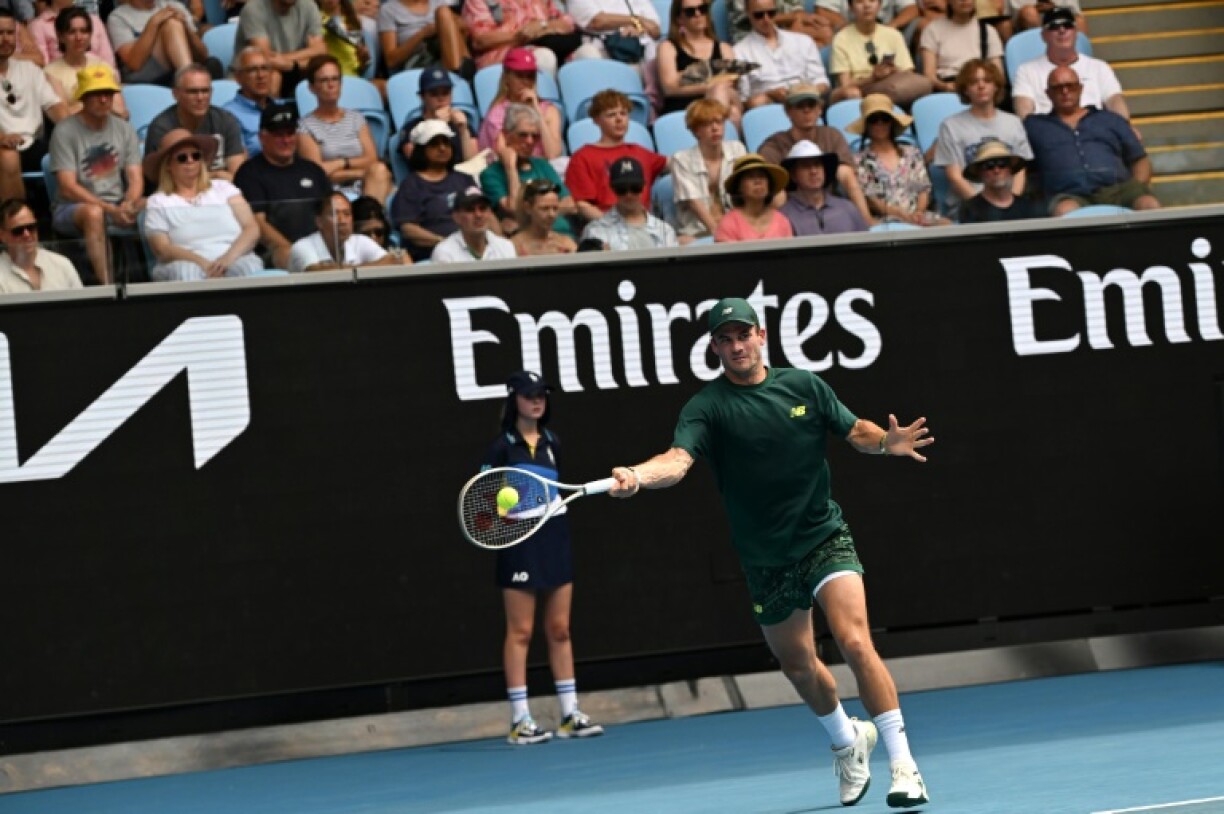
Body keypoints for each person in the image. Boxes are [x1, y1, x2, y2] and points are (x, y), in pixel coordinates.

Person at [606, 296, 933, 809]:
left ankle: (904, 765)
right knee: (798, 665)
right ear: (715, 348)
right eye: (726, 340)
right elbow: (677, 460)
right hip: (765, 558)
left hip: (823, 536)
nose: (737, 346)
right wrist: (637, 476)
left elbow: (856, 430)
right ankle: (848, 741)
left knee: (854, 640)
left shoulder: (803, 386)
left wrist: (883, 443)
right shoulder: (706, 407)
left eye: (744, 335)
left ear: (761, 336)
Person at [482, 370, 605, 745]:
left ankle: (570, 714)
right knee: (520, 631)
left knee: (560, 629)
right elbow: (484, 503)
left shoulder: (553, 442)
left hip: (554, 537)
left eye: (542, 395)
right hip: (519, 542)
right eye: (529, 395)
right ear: (514, 399)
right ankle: (520, 720)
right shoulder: (501, 448)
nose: (537, 401)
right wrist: (500, 512)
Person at [48, 64, 143, 285]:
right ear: (83, 97)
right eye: (96, 94)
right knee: (94, 213)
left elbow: (135, 178)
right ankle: (107, 288)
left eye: (108, 93)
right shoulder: (64, 131)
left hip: (117, 203)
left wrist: (128, 204)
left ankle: (156, 283)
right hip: (72, 207)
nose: (103, 99)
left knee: (156, 203)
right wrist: (109, 209)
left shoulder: (124, 128)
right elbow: (67, 187)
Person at [1023, 65, 1159, 216]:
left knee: (1149, 205)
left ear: (1080, 88)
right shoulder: (1035, 127)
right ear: (1048, 93)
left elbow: (1140, 159)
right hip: (1069, 195)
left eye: (1070, 86)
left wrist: (1137, 186)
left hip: (1119, 190)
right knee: (1064, 211)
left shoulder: (1110, 120)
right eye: (1058, 87)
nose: (1065, 91)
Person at [142, 128, 265, 281]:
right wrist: (203, 263)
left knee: (250, 267)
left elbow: (251, 228)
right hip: (185, 262)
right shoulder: (158, 201)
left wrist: (226, 260)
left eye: (195, 156)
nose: (190, 161)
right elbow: (162, 249)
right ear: (168, 165)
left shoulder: (224, 188)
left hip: (232, 257)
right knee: (186, 271)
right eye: (182, 158)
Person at [233, 104, 334, 269]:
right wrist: (299, 252)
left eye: (290, 133)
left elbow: (329, 213)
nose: (286, 140)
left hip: (319, 248)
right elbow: (258, 223)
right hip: (274, 252)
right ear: (262, 137)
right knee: (287, 254)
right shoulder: (249, 173)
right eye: (279, 135)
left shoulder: (313, 170)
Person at [756, 83, 873, 224]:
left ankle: (866, 221)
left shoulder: (832, 135)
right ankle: (781, 230)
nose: (806, 110)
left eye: (811, 105)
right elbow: (767, 181)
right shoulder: (774, 144)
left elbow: (846, 175)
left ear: (819, 109)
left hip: (830, 204)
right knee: (777, 191)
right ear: (788, 111)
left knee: (846, 172)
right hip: (792, 208)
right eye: (800, 106)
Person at [932, 58, 1030, 213]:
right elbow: (955, 176)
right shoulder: (950, 126)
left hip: (1009, 206)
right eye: (973, 82)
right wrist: (986, 207)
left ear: (996, 86)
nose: (981, 86)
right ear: (965, 90)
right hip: (969, 207)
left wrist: (1011, 204)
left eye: (987, 81)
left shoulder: (1013, 122)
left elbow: (1019, 171)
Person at [296, 54, 393, 205]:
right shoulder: (305, 126)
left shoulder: (356, 118)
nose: (331, 85)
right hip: (330, 192)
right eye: (324, 80)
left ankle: (370, 215)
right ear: (312, 87)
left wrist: (338, 165)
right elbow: (317, 172)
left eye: (335, 79)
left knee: (380, 171)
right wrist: (360, 171)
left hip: (367, 186)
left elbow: (371, 159)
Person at [565, 89, 667, 222]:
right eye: (611, 115)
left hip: (643, 223)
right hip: (606, 224)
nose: (619, 119)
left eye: (623, 113)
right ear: (596, 120)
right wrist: (613, 226)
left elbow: (677, 162)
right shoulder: (582, 157)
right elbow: (582, 205)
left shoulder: (639, 151)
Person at [0, 8, 68, 204]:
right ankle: (16, 219)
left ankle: (67, 215)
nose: (5, 39)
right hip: (3, 146)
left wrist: (74, 128)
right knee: (8, 157)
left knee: (74, 143)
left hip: (33, 144)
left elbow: (54, 106)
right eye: (0, 33)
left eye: (10, 33)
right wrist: (3, 138)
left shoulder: (30, 70)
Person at [1012, 7, 1127, 121]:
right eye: (1054, 26)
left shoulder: (1100, 67)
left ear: (1076, 32)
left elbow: (1115, 101)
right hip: (1048, 128)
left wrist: (1124, 126)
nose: (1062, 30)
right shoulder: (1026, 71)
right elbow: (1024, 113)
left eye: (1067, 25)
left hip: (1095, 126)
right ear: (1043, 35)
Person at [480, 103, 576, 237]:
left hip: (565, 236)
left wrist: (532, 214)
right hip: (530, 242)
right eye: (523, 135)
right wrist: (511, 169)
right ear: (506, 135)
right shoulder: (491, 174)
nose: (530, 141)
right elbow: (514, 208)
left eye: (535, 136)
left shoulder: (542, 164)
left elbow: (570, 204)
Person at [848, 94, 943, 225]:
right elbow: (871, 200)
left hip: (918, 216)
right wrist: (900, 214)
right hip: (885, 220)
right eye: (874, 119)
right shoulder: (859, 160)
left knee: (947, 225)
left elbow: (923, 188)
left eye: (885, 119)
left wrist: (919, 213)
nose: (880, 124)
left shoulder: (911, 152)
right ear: (867, 125)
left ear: (891, 122)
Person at [145, 63, 246, 182]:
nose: (200, 98)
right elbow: (163, 179)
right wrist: (216, 175)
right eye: (192, 92)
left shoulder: (226, 120)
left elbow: (238, 176)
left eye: (205, 91)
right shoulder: (161, 127)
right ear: (175, 94)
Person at [390, 119, 474, 261]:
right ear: (421, 149)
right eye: (434, 144)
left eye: (446, 143)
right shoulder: (411, 185)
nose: (442, 148)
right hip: (433, 256)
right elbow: (408, 229)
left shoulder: (464, 180)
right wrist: (446, 243)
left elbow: (486, 214)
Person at [828, 0, 933, 108]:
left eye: (872, 1)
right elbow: (845, 84)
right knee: (852, 93)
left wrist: (892, 71)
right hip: (860, 88)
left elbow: (908, 73)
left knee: (920, 84)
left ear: (879, 6)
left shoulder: (893, 34)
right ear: (851, 7)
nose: (867, 5)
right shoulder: (841, 38)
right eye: (859, 1)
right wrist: (873, 77)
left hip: (891, 83)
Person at [668, 98, 746, 241]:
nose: (715, 128)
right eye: (707, 124)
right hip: (697, 231)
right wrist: (718, 233)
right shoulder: (681, 159)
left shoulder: (737, 149)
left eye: (719, 122)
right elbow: (694, 202)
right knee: (684, 241)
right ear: (695, 130)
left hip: (735, 225)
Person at [656, 0, 743, 124]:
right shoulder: (668, 46)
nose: (698, 14)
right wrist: (709, 86)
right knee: (731, 109)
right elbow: (669, 88)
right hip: (683, 106)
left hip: (721, 98)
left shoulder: (724, 48)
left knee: (725, 95)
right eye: (690, 12)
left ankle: (717, 131)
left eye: (702, 9)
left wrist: (685, 76)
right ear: (679, 19)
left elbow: (730, 81)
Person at [732, 0, 829, 110]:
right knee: (758, 102)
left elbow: (821, 82)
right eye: (759, 15)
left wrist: (803, 93)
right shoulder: (739, 51)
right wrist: (770, 94)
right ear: (748, 13)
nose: (766, 19)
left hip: (805, 104)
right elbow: (744, 100)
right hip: (768, 107)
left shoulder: (803, 41)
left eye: (771, 13)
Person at [475, 48, 564, 164]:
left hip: (545, 169)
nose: (525, 81)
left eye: (530, 76)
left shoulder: (549, 110)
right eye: (520, 76)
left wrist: (537, 112)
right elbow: (506, 157)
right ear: (507, 77)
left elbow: (553, 154)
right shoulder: (497, 114)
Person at [43, 7, 128, 118]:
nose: (79, 37)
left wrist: (80, 106)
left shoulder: (102, 66)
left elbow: (122, 112)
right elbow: (62, 117)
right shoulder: (51, 73)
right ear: (61, 36)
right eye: (72, 32)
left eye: (84, 31)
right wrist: (98, 103)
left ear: (90, 35)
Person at [288, 191, 401, 271]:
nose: (342, 221)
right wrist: (367, 268)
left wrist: (353, 270)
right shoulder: (302, 247)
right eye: (334, 214)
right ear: (319, 221)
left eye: (347, 214)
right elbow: (317, 272)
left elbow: (392, 261)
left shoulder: (360, 241)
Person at [582, 156, 678, 250]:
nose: (629, 195)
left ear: (644, 186)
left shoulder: (665, 231)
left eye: (635, 188)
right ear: (612, 188)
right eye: (622, 189)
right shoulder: (595, 231)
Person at [235, 0, 327, 96]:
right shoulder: (254, 9)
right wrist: (300, 59)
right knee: (274, 75)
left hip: (297, 69)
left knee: (324, 71)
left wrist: (290, 64)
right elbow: (264, 59)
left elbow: (320, 52)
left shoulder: (309, 5)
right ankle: (269, 106)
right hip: (255, 72)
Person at [462, 0, 580, 75]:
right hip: (504, 57)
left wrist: (542, 26)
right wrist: (523, 35)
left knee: (586, 52)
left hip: (549, 45)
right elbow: (480, 41)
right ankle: (544, 105)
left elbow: (567, 23)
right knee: (544, 57)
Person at [107, 0, 207, 87]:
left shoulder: (174, 6)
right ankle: (191, 81)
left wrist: (185, 28)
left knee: (173, 23)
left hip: (177, 70)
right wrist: (154, 22)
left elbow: (203, 55)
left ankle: (190, 81)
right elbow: (134, 64)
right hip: (144, 75)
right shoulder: (117, 17)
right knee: (171, 25)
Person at [779, 140, 868, 235]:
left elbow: (866, 242)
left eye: (817, 164)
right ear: (793, 175)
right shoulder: (784, 216)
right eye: (805, 166)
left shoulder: (847, 208)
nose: (813, 171)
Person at [917, 0, 1003, 94]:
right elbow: (929, 76)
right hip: (946, 86)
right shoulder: (932, 30)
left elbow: (998, 74)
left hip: (979, 87)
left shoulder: (988, 31)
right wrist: (944, 86)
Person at [398, 66, 479, 163]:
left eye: (445, 93)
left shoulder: (460, 122)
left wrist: (464, 131)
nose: (441, 99)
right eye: (434, 94)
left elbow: (473, 164)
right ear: (422, 97)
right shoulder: (411, 128)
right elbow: (417, 163)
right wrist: (436, 126)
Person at [0, 198, 82, 293]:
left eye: (31, 227)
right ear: (2, 236)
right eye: (18, 231)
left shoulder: (62, 264)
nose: (27, 234)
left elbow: (82, 301)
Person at [378, 0, 472, 76]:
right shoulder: (388, 10)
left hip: (442, 52)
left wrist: (457, 25)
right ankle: (460, 74)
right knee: (443, 13)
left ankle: (463, 71)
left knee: (444, 13)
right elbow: (391, 61)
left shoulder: (438, 3)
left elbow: (463, 31)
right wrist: (423, 33)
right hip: (418, 60)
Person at [956, 139, 1042, 222]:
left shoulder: (1028, 207)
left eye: (1002, 164)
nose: (997, 170)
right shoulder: (969, 209)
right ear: (979, 172)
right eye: (989, 166)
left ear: (1010, 169)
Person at [714, 153, 793, 242]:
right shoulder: (729, 223)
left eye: (762, 176)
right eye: (750, 177)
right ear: (739, 186)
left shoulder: (782, 221)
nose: (758, 181)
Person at [431, 185, 517, 262]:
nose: (478, 215)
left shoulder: (505, 246)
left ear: (490, 213)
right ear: (456, 217)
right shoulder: (444, 252)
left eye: (483, 208)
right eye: (470, 210)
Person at [223, 47, 282, 157]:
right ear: (238, 78)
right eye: (252, 70)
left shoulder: (282, 107)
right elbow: (239, 160)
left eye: (265, 68)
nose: (261, 75)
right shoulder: (228, 115)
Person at [566, 0, 662, 65]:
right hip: (603, 52)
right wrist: (637, 20)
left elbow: (655, 30)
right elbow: (597, 21)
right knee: (588, 52)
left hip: (638, 52)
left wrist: (640, 29)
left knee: (662, 51)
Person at [30, 0, 115, 70]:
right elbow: (43, 66)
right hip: (60, 79)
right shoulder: (38, 25)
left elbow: (109, 62)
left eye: (84, 31)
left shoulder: (94, 20)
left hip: (99, 78)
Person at [512, 177, 577, 255]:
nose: (551, 214)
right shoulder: (514, 246)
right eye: (544, 208)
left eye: (555, 208)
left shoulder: (566, 244)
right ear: (528, 208)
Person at [728, 0, 833, 47]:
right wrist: (795, 18)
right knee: (800, 44)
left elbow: (797, 8)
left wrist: (801, 21)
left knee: (825, 32)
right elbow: (754, 17)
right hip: (752, 34)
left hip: (785, 28)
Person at [318, 0, 372, 80]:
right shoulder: (316, 19)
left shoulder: (353, 19)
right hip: (333, 77)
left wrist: (363, 59)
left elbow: (362, 64)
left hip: (355, 77)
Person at [816, 0, 920, 35]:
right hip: (846, 31)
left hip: (888, 30)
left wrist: (892, 26)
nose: (867, 5)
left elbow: (912, 9)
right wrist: (851, 30)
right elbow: (823, 10)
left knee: (922, 24)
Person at [1008, 0, 1085, 37]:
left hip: (1059, 15)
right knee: (1029, 13)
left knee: (1079, 20)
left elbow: (1074, 10)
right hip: (1025, 22)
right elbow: (1015, 10)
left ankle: (1081, 59)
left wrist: (1054, 6)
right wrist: (1036, 5)